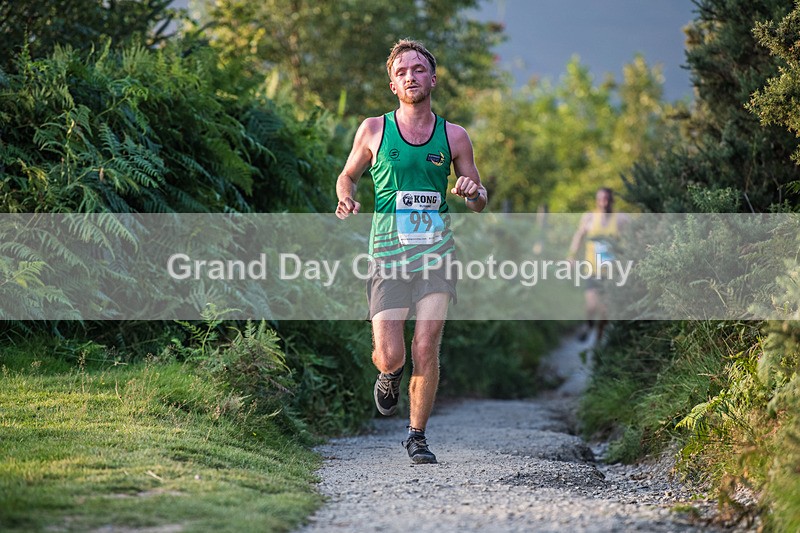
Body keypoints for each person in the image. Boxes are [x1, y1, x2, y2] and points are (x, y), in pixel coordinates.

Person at [335, 39, 487, 464]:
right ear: (392, 85)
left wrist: (473, 190)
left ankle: (417, 435)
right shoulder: (373, 129)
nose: (411, 76)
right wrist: (346, 196)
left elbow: (479, 200)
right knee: (391, 353)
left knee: (426, 345)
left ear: (432, 79)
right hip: (387, 253)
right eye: (402, 72)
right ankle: (389, 375)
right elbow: (347, 176)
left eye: (419, 69)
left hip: (436, 252)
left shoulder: (454, 136)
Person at [567, 188, 629, 344]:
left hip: (612, 272)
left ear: (612, 200)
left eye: (607, 199)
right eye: (601, 199)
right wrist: (571, 256)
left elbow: (635, 233)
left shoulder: (620, 219)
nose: (604, 203)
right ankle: (588, 325)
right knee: (592, 305)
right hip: (592, 270)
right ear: (596, 201)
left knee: (605, 311)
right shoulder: (589, 218)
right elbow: (579, 236)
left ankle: (598, 342)